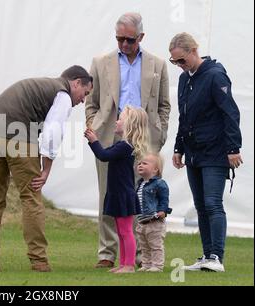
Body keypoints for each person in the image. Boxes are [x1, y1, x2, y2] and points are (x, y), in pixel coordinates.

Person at [0, 65, 93, 272]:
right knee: (31, 198)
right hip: (18, 135)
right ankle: (39, 261)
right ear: (76, 82)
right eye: (85, 93)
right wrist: (46, 169)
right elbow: (52, 132)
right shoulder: (62, 94)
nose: (83, 100)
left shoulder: (42, 85)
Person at [85, 12, 171, 268]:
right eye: (119, 38)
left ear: (141, 37)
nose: (124, 44)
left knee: (144, 194)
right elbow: (91, 101)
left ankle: (142, 255)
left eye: (129, 40)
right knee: (108, 194)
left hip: (146, 137)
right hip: (110, 135)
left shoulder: (158, 64)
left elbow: (164, 104)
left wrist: (161, 131)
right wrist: (95, 126)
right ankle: (107, 253)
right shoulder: (101, 61)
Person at [169, 33, 243, 273]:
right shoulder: (184, 80)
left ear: (193, 51)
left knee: (213, 203)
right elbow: (184, 117)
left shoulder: (215, 75)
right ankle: (207, 255)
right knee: (200, 205)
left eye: (181, 60)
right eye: (175, 62)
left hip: (215, 152)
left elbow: (230, 113)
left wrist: (233, 148)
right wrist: (178, 147)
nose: (179, 66)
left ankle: (216, 257)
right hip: (193, 153)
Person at [84, 106, 149, 273]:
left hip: (123, 194)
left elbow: (104, 156)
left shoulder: (125, 147)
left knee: (126, 231)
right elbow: (105, 154)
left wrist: (94, 141)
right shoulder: (122, 145)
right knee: (121, 231)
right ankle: (123, 263)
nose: (116, 121)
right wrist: (95, 143)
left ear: (129, 125)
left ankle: (129, 265)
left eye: (120, 119)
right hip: (118, 192)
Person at [135, 153, 172, 272]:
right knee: (144, 246)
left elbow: (164, 198)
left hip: (154, 220)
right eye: (139, 163)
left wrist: (163, 210)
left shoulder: (159, 183)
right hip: (142, 221)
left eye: (144, 163)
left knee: (155, 245)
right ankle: (146, 264)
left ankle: (157, 265)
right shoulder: (140, 184)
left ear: (155, 169)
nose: (140, 165)